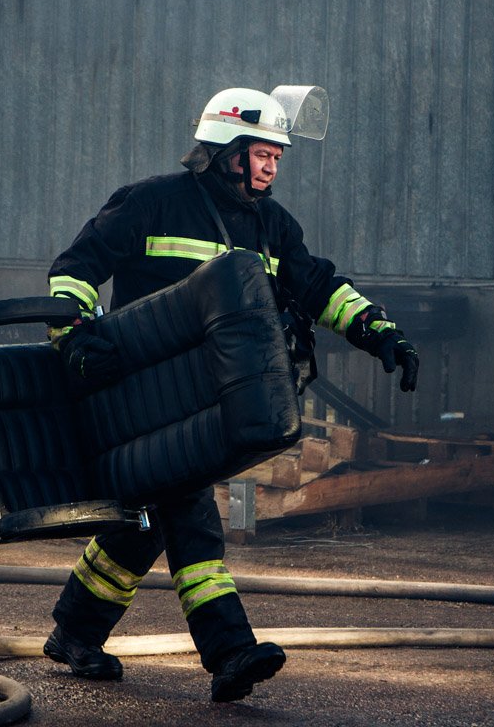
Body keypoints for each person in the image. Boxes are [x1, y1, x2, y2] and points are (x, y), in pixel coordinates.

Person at [44, 86, 419, 702]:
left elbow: (317, 286)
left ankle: (74, 633)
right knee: (189, 509)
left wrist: (379, 331)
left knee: (145, 522)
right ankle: (229, 651)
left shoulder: (272, 225)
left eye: (277, 157)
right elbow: (76, 267)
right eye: (262, 154)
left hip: (209, 399)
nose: (271, 167)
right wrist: (74, 336)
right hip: (140, 394)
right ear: (225, 151)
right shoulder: (151, 202)